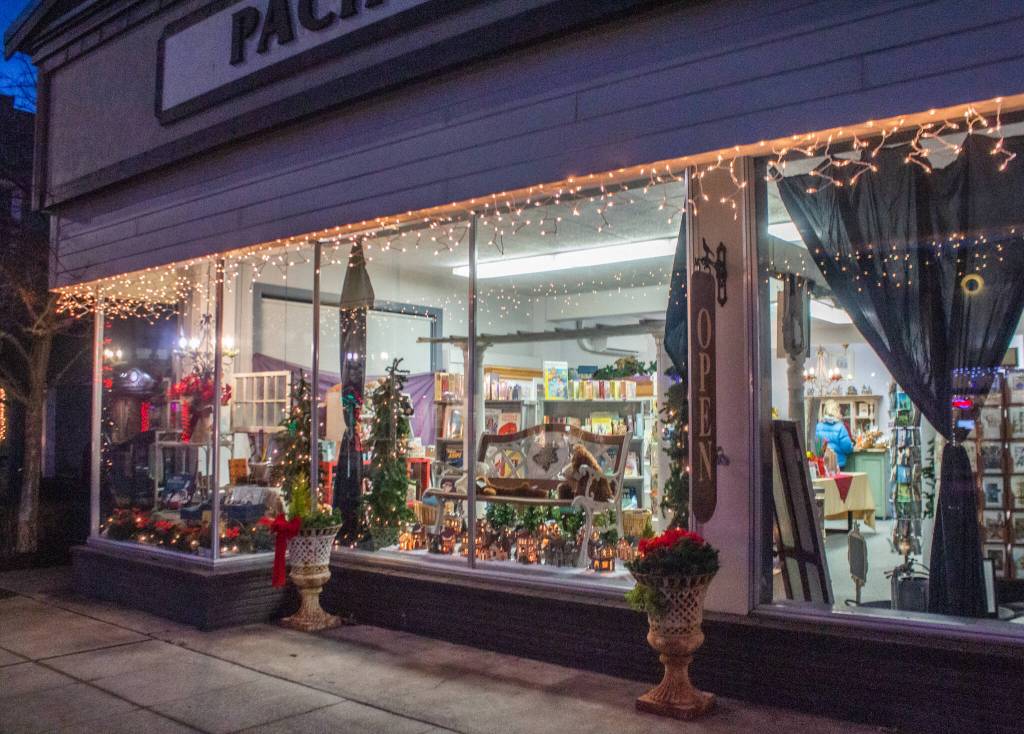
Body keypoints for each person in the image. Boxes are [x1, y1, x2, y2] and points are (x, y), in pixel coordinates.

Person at [815, 400, 854, 470]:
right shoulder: (840, 427)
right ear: (836, 412)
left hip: (821, 463)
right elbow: (847, 448)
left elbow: (816, 446)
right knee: (838, 481)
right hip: (838, 463)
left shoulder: (818, 427)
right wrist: (852, 445)